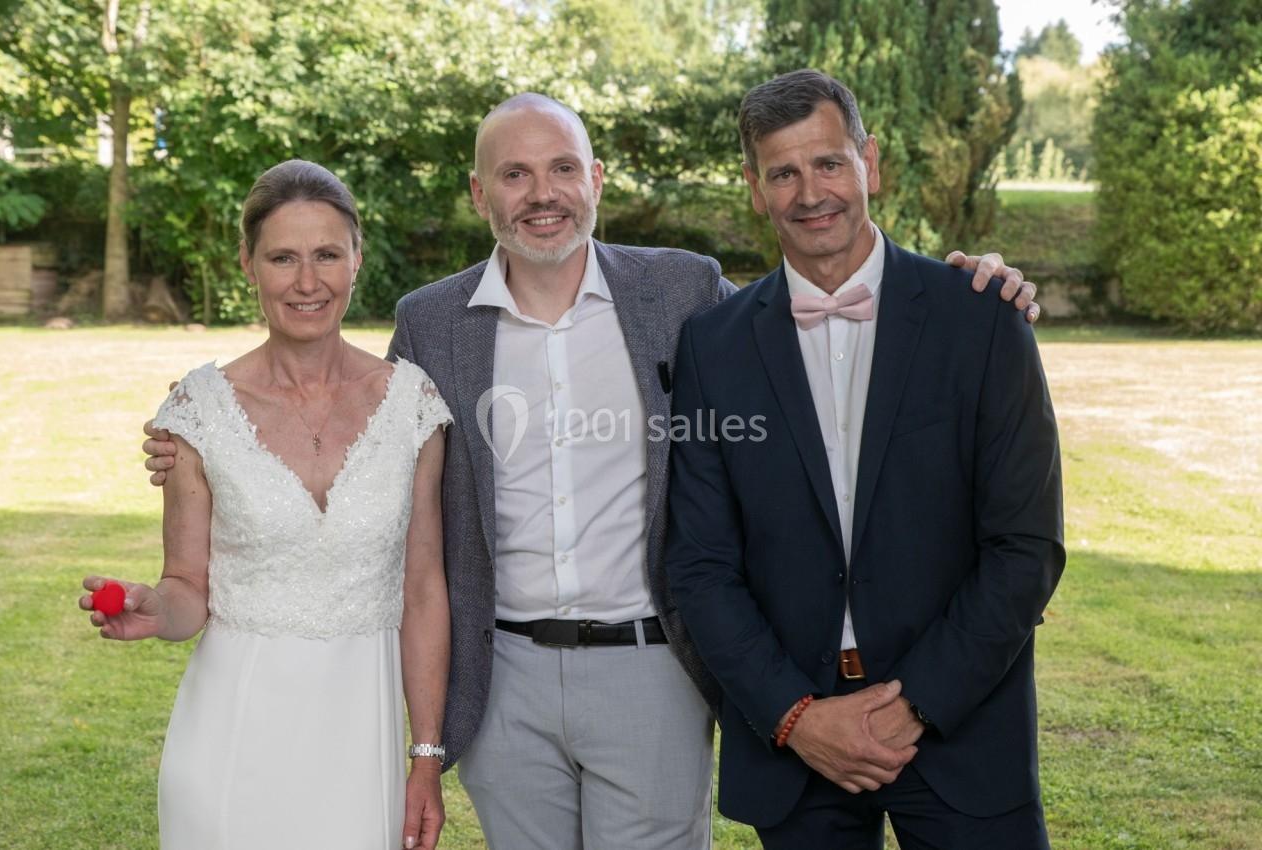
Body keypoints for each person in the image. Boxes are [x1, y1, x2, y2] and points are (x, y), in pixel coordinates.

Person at [143, 96, 1042, 849]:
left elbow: (811, 330)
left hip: (652, 665)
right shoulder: (432, 322)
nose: (544, 195)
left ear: (596, 179)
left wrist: (974, 279)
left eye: (563, 169)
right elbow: (365, 435)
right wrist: (214, 446)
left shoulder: (682, 291)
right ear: (479, 194)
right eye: (516, 175)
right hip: (502, 678)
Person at [664, 69, 1065, 850]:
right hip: (797, 745)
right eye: (782, 173)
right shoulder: (713, 347)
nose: (810, 193)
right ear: (755, 188)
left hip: (961, 729)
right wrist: (795, 717)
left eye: (828, 163)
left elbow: (1026, 546)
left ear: (869, 162)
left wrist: (912, 705)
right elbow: (701, 564)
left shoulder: (980, 319)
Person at [83, 160, 453, 850]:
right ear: (249, 265)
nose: (307, 282)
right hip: (231, 731)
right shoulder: (197, 410)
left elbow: (424, 589)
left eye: (326, 256)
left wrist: (425, 755)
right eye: (283, 258)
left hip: (357, 739)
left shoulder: (414, 405)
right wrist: (152, 608)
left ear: (357, 260)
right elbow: (187, 587)